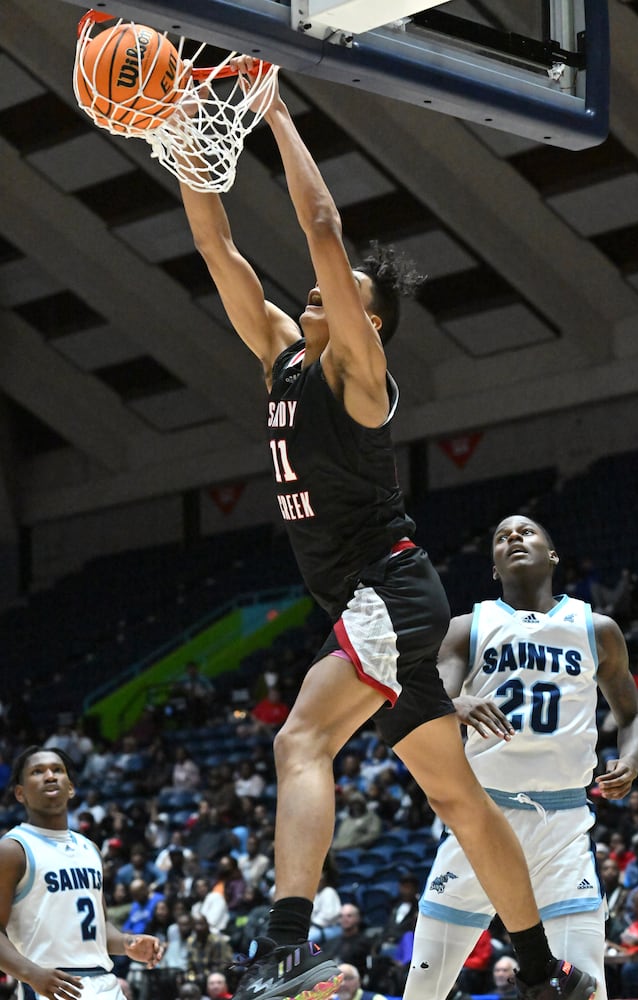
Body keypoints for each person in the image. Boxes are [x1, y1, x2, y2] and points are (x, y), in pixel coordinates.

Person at [179, 61, 599, 1000]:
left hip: (389, 590)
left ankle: (288, 942)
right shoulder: (284, 354)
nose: (315, 293)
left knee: (300, 744)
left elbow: (322, 227)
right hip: (374, 597)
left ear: (368, 321)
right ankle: (539, 972)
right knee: (457, 798)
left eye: (337, 293)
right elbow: (215, 246)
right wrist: (181, 135)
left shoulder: (357, 376)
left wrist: (276, 113)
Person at [403, 515, 638, 1000]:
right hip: (482, 819)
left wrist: (633, 760)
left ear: (553, 555)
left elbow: (632, 717)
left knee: (586, 989)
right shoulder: (465, 628)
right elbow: (426, 705)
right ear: (494, 567)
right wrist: (454, 704)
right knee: (424, 988)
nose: (514, 537)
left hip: (562, 826)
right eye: (501, 536)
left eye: (527, 531)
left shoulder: (596, 628)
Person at [0, 746, 164, 1000]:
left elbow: (99, 925)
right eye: (37, 771)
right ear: (20, 793)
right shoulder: (13, 849)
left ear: (71, 788)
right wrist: (31, 974)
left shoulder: (90, 849)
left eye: (57, 770)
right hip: (51, 985)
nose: (50, 776)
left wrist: (127, 943)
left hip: (106, 985)